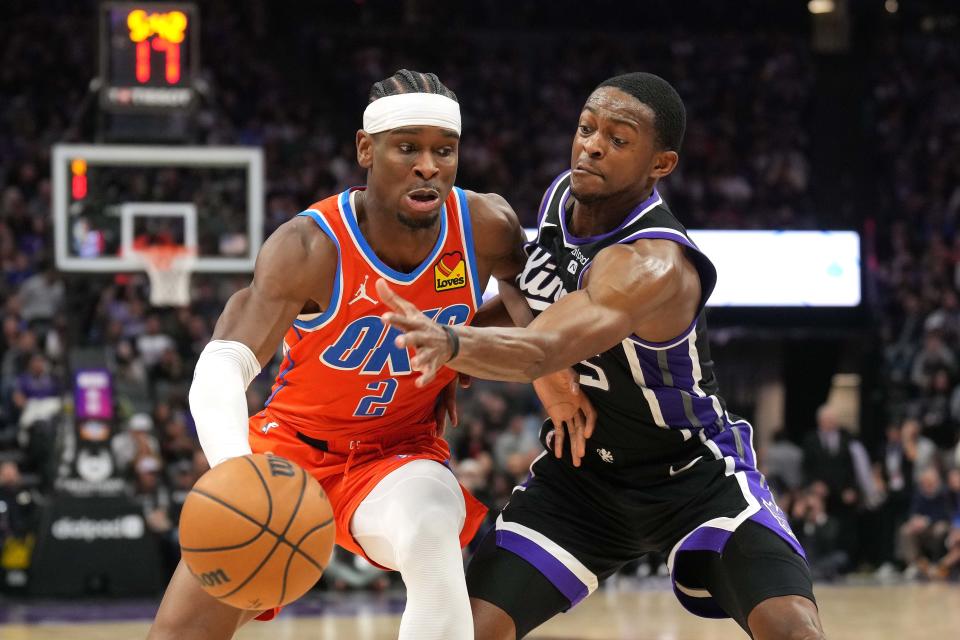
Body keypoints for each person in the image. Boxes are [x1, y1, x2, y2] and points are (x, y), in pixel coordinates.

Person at [379, 72, 826, 639]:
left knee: (792, 630)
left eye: (618, 139)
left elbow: (542, 347)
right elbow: (528, 294)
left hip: (692, 474)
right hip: (581, 481)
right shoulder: (564, 198)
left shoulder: (653, 263)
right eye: (587, 127)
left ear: (660, 164)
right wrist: (492, 348)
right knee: (465, 630)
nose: (591, 144)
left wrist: (452, 345)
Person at [148, 69, 560, 640]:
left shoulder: (487, 226)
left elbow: (538, 320)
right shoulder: (309, 245)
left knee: (432, 537)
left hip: (398, 454)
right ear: (366, 149)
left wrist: (467, 351)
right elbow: (221, 366)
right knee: (179, 635)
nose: (428, 166)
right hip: (289, 452)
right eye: (407, 148)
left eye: (445, 150)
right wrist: (237, 474)